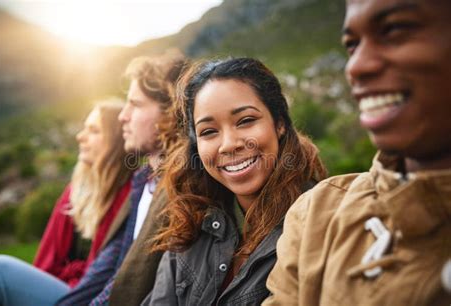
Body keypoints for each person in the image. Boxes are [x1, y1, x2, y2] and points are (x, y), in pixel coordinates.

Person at [263, 0, 451, 305]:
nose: (356, 66)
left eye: (395, 29)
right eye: (352, 45)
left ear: (280, 125)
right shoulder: (316, 214)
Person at [142, 57, 327, 305]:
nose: (229, 144)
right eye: (209, 131)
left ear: (279, 123)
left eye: (246, 121)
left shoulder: (320, 224)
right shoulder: (190, 223)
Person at [55, 52, 187, 306]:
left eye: (135, 105)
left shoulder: (180, 189)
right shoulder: (142, 183)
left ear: (170, 111)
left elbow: (132, 285)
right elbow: (106, 271)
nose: (123, 116)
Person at [0, 99, 135, 305]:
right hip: (65, 288)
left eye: (94, 130)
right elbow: (46, 263)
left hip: (87, 297)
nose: (80, 137)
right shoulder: (75, 191)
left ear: (116, 139)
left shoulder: (130, 196)